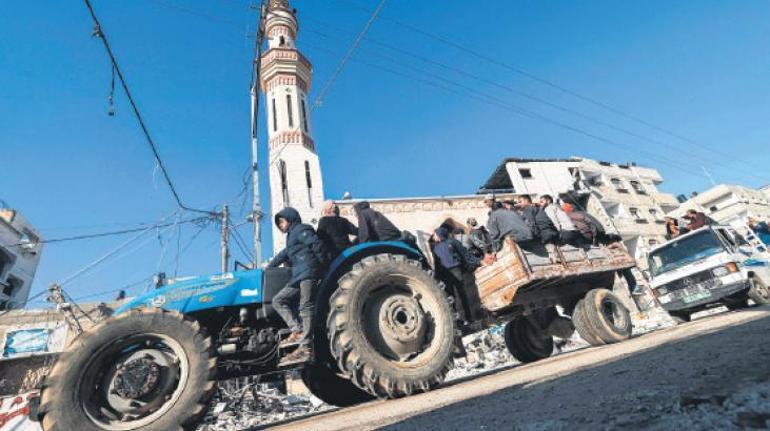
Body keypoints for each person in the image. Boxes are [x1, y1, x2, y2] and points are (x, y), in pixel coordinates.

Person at [268, 207, 327, 364]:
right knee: (278, 300)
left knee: (305, 306)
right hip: (298, 276)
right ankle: (297, 330)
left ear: (290, 218)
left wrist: (322, 267)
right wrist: (268, 268)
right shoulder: (291, 237)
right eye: (278, 223)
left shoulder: (301, 229)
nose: (280, 225)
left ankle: (305, 348)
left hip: (308, 273)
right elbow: (284, 254)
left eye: (282, 221)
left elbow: (316, 244)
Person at [432, 227, 484, 322]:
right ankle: (457, 320)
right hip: (445, 274)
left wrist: (477, 261)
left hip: (456, 270)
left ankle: (469, 318)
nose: (433, 236)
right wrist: (437, 276)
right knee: (451, 297)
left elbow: (464, 253)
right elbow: (437, 264)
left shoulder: (452, 242)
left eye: (435, 234)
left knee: (462, 294)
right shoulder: (435, 248)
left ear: (439, 234)